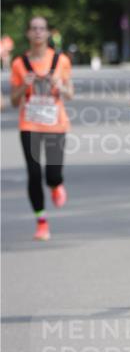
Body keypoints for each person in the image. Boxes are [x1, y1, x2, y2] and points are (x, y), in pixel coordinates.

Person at [10, 17, 74, 241]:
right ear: (28, 34)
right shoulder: (19, 63)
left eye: (42, 29)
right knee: (34, 173)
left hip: (56, 124)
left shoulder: (60, 60)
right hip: (30, 124)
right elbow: (14, 101)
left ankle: (56, 185)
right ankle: (41, 221)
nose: (38, 33)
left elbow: (70, 93)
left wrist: (60, 85)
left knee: (53, 174)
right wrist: (23, 85)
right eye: (33, 29)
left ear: (48, 33)